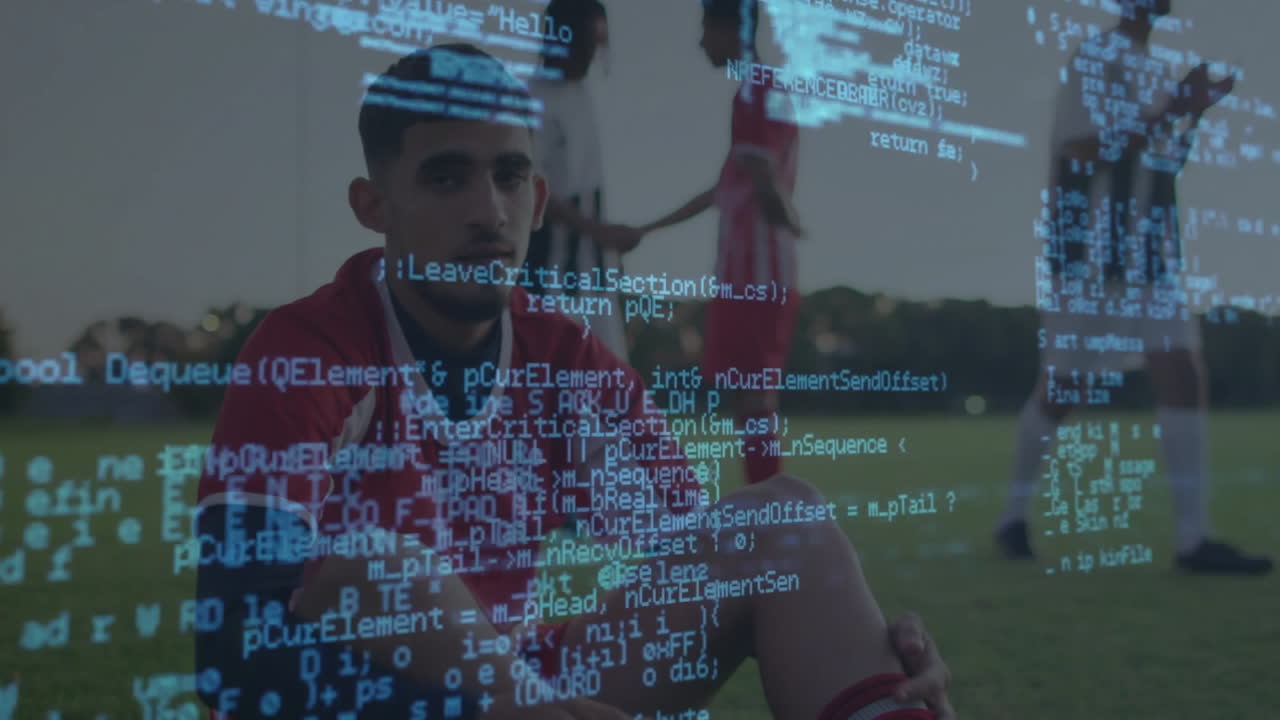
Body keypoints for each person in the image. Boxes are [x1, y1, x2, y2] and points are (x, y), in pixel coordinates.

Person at [194, 43, 956, 720]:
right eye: (447, 177)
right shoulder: (310, 349)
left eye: (509, 176)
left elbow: (703, 558)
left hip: (525, 685)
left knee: (784, 521)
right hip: (381, 698)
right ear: (374, 206)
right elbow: (232, 657)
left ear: (537, 196)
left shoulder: (564, 361)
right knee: (373, 566)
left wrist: (865, 648)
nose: (488, 212)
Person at [996, 0, 1272, 575]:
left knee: (1182, 371)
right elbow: (1080, 148)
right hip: (1091, 254)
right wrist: (1175, 104)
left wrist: (1194, 111)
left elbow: (1166, 160)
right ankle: (1012, 517)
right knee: (1063, 387)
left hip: (1152, 252)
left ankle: (1194, 540)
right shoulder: (1096, 57)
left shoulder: (1154, 67)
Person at [636, 0, 803, 487]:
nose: (701, 42)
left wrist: (785, 214)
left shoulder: (755, 88)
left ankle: (769, 509)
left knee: (753, 396)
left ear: (730, 28)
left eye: (705, 28)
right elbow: (725, 187)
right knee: (748, 396)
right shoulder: (764, 88)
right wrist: (646, 230)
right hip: (756, 268)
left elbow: (759, 169)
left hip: (757, 269)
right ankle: (764, 501)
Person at [523, 0, 641, 362]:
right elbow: (532, 185)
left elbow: (589, 184)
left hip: (592, 274)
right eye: (589, 43)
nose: (594, 55)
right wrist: (598, 230)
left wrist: (604, 248)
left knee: (608, 383)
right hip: (547, 270)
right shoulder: (531, 98)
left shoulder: (583, 95)